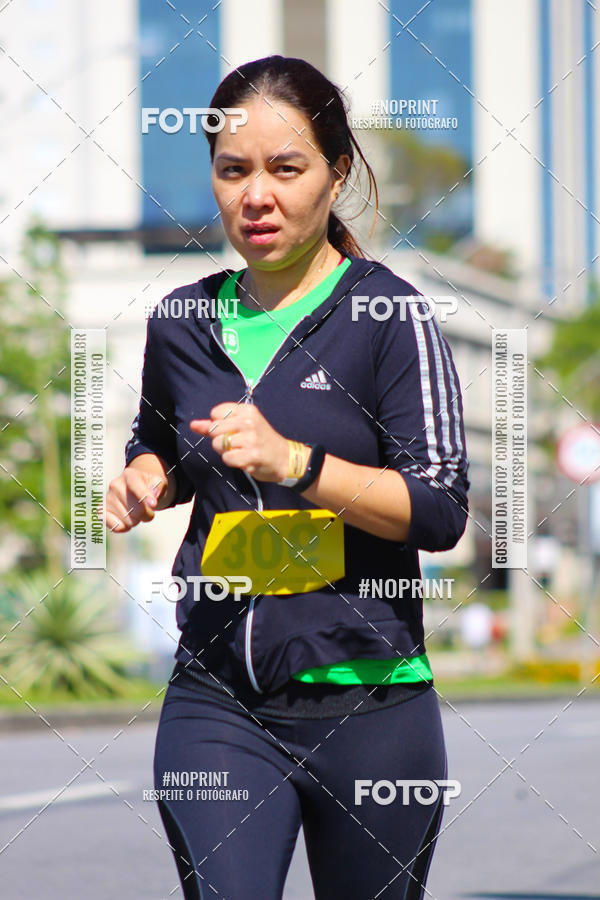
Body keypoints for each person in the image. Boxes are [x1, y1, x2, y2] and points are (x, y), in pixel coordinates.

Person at [106, 55, 470, 900]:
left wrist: (297, 464)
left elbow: (439, 509)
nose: (255, 195)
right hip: (218, 696)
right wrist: (145, 477)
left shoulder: (389, 317)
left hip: (368, 703)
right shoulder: (183, 319)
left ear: (337, 173)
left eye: (285, 168)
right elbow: (156, 442)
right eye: (233, 170)